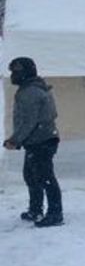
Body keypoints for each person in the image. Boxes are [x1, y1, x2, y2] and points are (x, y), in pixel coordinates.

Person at [3, 57, 63, 227]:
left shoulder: (30, 92)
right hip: (41, 139)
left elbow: (28, 121)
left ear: (25, 72)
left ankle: (55, 214)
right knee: (31, 176)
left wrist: (15, 140)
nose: (13, 75)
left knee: (45, 177)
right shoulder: (35, 87)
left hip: (41, 141)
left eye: (16, 71)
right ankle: (35, 210)